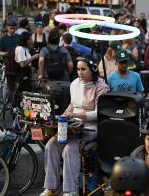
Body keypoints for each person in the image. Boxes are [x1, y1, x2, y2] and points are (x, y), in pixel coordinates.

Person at [40, 57, 109, 196]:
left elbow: (100, 112)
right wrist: (65, 115)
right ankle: (51, 188)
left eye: (83, 69)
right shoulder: (74, 84)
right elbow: (72, 105)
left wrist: (78, 116)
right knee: (51, 146)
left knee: (69, 150)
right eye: (78, 69)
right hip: (73, 126)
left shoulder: (101, 86)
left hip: (90, 128)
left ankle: (70, 191)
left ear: (93, 69)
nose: (80, 72)